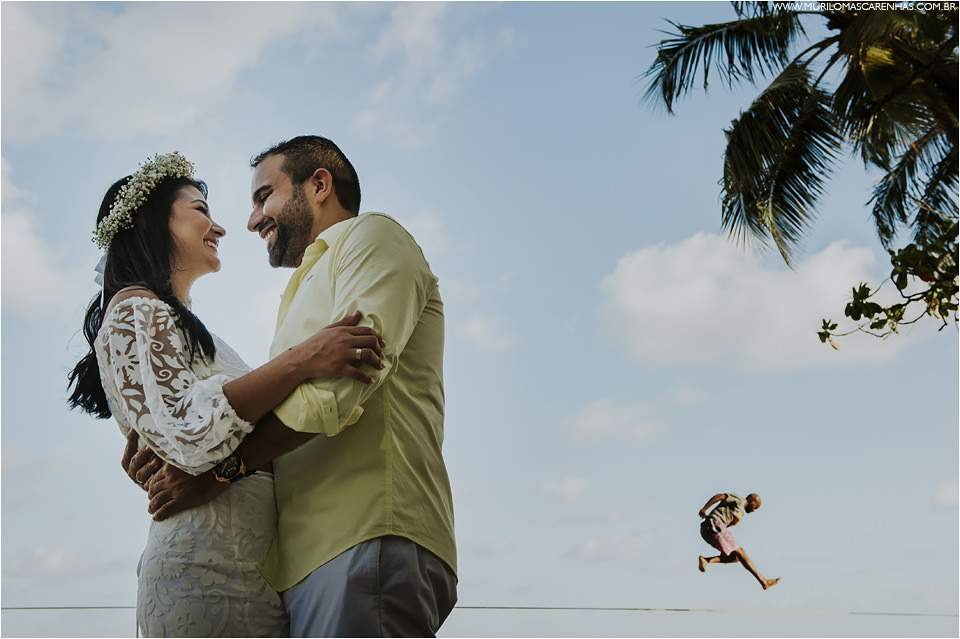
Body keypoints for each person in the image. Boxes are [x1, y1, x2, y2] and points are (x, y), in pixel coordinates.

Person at [133, 136, 458, 637]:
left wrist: (220, 472)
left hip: (365, 530)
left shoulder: (373, 238)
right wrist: (168, 451)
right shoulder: (302, 288)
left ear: (319, 185)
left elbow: (339, 387)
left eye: (264, 196)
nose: (251, 220)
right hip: (303, 558)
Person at [67, 152, 385, 637]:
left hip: (250, 569)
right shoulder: (133, 309)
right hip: (205, 571)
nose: (219, 227)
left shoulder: (194, 332)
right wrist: (302, 359)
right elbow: (188, 435)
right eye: (200, 210)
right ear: (153, 223)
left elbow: (207, 436)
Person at [698, 492, 780, 590]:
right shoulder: (740, 500)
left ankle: (706, 560)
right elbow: (720, 496)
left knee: (736, 558)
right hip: (713, 524)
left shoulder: (741, 512)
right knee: (741, 553)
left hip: (713, 530)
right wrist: (704, 509)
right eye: (755, 507)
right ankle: (764, 581)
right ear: (752, 501)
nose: (754, 510)